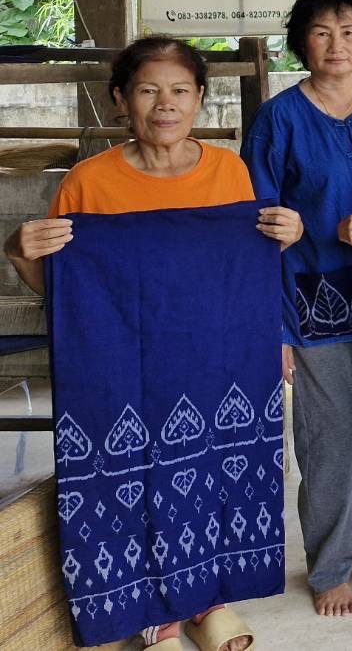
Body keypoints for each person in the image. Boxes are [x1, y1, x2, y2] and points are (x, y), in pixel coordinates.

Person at [5, 37, 303, 651]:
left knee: (212, 469)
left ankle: (207, 600)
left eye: (179, 90)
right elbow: (62, 289)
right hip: (121, 365)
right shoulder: (89, 183)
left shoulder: (229, 172)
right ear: (121, 99)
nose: (165, 104)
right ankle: (152, 615)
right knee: (126, 476)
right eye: (147, 90)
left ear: (199, 98)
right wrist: (19, 253)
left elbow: (244, 274)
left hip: (213, 359)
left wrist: (287, 237)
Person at [242, 0, 352, 619]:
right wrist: (274, 326)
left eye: (348, 31)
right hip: (314, 302)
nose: (336, 44)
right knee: (330, 439)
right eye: (321, 32)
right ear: (301, 42)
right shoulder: (279, 119)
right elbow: (257, 222)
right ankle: (328, 568)